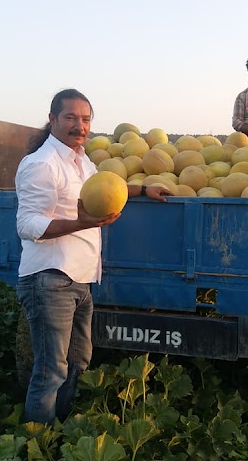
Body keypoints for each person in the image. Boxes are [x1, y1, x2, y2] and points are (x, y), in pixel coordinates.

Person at [15, 88, 171, 424]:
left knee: (78, 362)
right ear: (53, 119)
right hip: (50, 278)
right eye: (70, 117)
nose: (79, 125)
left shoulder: (81, 159)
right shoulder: (42, 164)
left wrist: (143, 189)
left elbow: (105, 185)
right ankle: (36, 440)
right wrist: (79, 223)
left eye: (85, 119)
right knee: (50, 369)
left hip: (80, 278)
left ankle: (59, 427)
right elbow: (27, 225)